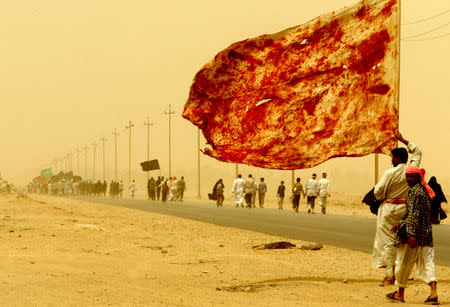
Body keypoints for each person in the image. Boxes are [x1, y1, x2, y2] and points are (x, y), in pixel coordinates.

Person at [372, 130, 422, 286]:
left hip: (389, 209)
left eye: (393, 157)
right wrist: (404, 140)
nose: (391, 160)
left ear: (397, 158)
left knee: (388, 242)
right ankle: (402, 274)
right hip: (405, 209)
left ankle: (390, 275)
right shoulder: (411, 170)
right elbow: (418, 151)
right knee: (403, 243)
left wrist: (383, 196)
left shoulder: (389, 173)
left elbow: (378, 192)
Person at [386, 166, 438, 304]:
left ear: (418, 177)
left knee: (403, 263)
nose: (408, 179)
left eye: (411, 176)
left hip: (414, 237)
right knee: (428, 263)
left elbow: (413, 215)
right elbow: (414, 214)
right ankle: (434, 293)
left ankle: (400, 294)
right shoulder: (424, 191)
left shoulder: (414, 192)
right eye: (407, 176)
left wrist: (411, 235)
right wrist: (400, 224)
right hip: (426, 235)